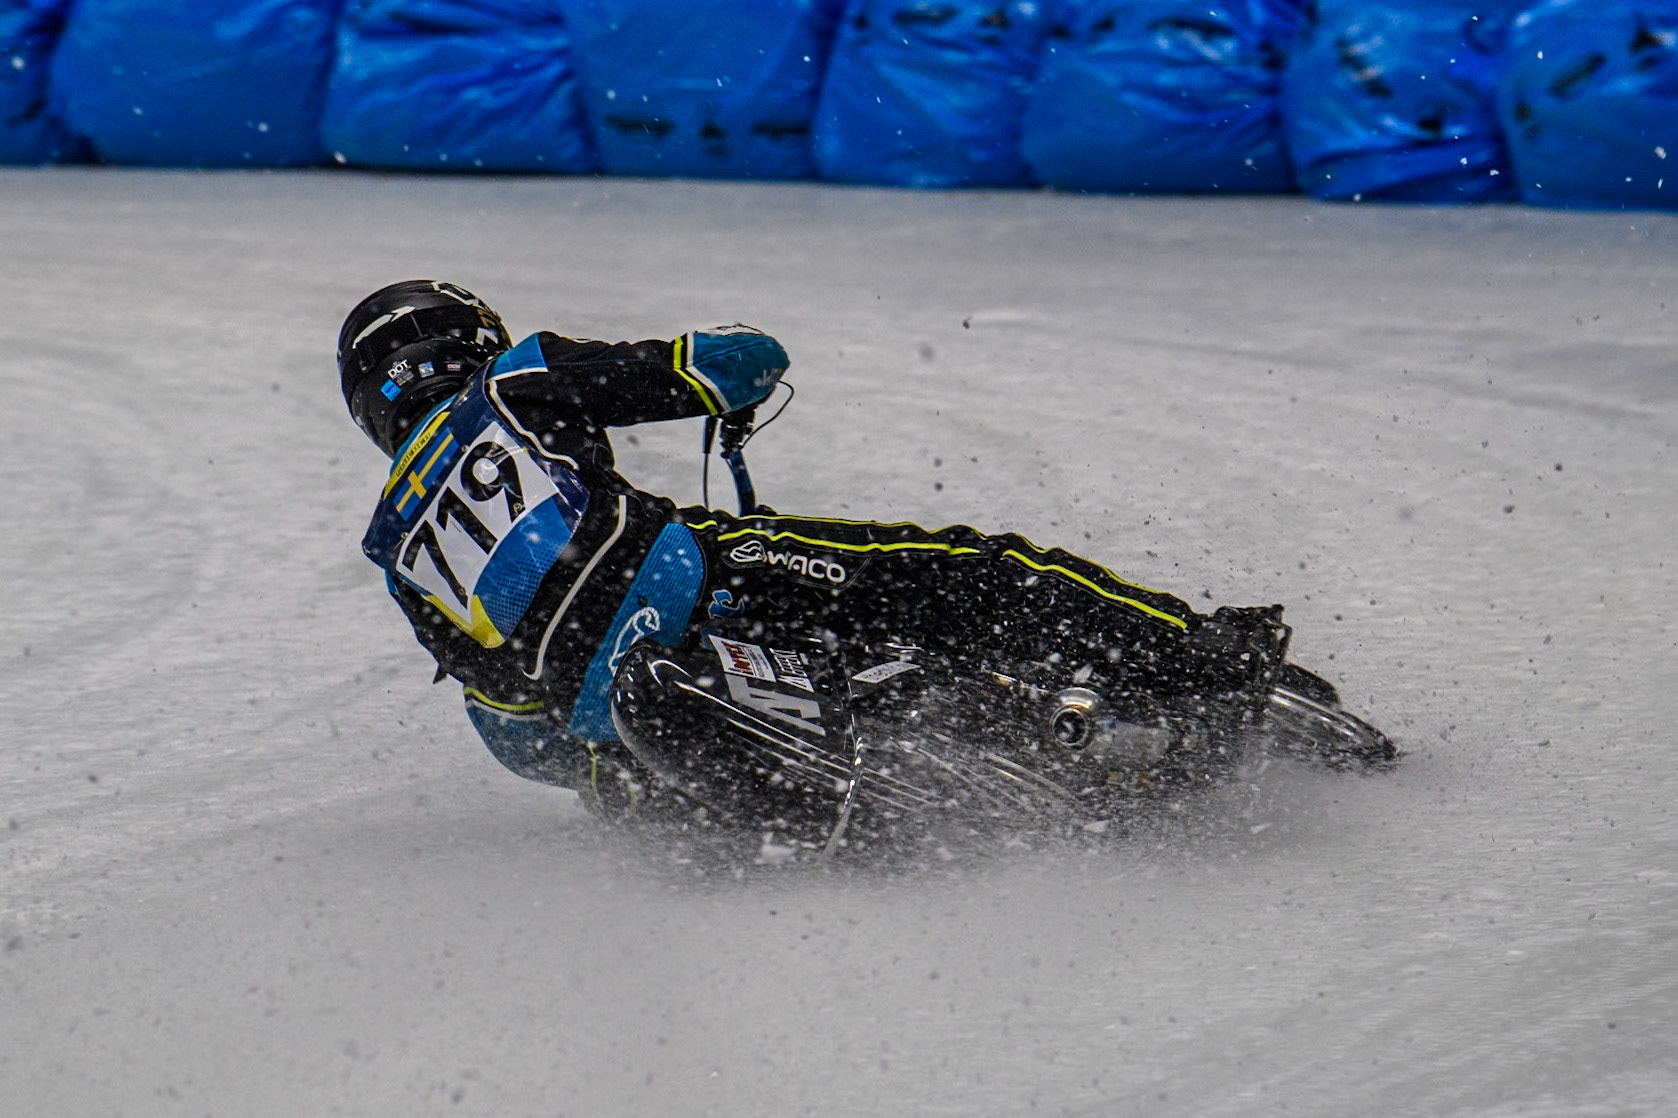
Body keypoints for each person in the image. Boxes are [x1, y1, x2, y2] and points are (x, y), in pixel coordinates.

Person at [340, 280, 1288, 819]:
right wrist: (740, 369)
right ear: (471, 341)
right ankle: (1204, 656)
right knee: (967, 572)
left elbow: (510, 727)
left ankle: (750, 788)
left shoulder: (395, 547)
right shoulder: (514, 380)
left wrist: (607, 777)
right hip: (700, 582)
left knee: (618, 783)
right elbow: (728, 362)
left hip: (610, 711)